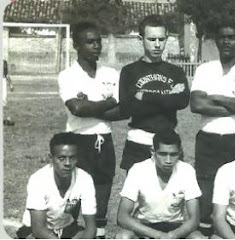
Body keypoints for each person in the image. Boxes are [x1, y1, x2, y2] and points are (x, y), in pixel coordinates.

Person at [190, 19, 235, 236]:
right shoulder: (205, 69)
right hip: (208, 139)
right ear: (216, 40)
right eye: (222, 37)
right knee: (206, 194)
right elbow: (196, 104)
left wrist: (215, 97)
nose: (227, 42)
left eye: (232, 37)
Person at [57, 21, 122, 239]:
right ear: (76, 45)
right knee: (72, 199)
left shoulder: (111, 74)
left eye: (98, 41)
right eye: (90, 42)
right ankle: (68, 231)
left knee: (101, 197)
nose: (96, 46)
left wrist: (90, 106)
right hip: (78, 142)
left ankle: (100, 234)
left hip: (104, 141)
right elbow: (76, 108)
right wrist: (107, 102)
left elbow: (122, 111)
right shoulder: (68, 75)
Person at [118, 14, 190, 171]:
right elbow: (128, 108)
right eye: (151, 40)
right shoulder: (129, 71)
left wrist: (145, 96)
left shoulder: (175, 71)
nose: (157, 45)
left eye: (161, 39)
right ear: (140, 39)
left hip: (169, 143)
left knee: (171, 193)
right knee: (136, 194)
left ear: (166, 38)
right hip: (139, 141)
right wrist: (169, 97)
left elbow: (183, 101)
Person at [116, 131, 202, 239]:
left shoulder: (187, 171)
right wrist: (158, 235)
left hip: (175, 227)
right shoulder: (138, 170)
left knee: (198, 238)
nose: (168, 160)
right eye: (163, 154)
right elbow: (122, 217)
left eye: (173, 154)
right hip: (144, 227)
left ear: (180, 152)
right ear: (153, 151)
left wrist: (172, 235)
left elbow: (194, 219)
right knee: (123, 237)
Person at [17, 132, 96, 239]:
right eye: (61, 158)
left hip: (68, 229)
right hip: (37, 231)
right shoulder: (38, 179)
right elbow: (38, 229)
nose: (67, 163)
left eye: (72, 158)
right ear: (51, 157)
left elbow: (91, 228)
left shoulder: (85, 179)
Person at [3, 59, 14, 126]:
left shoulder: (4, 62)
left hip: (2, 81)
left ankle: (7, 119)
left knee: (4, 102)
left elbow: (6, 74)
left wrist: (11, 85)